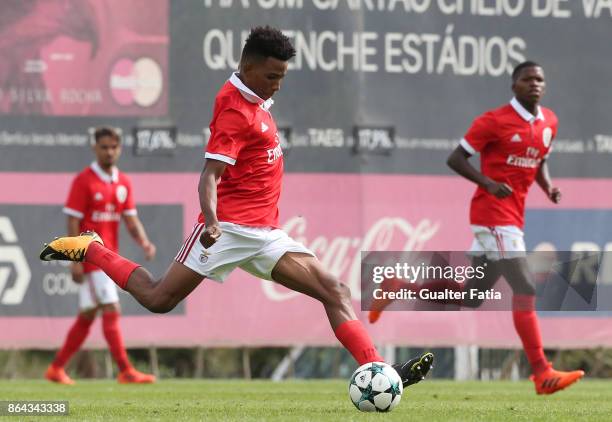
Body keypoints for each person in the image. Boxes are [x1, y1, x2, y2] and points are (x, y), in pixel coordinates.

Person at [40, 26, 433, 387]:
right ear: (247, 67)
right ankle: (91, 248)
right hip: (227, 229)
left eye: (282, 77)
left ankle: (379, 372)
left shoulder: (255, 94)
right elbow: (208, 176)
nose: (277, 86)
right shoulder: (234, 111)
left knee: (335, 290)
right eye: (271, 76)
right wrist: (211, 222)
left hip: (266, 233)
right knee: (158, 298)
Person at [368, 61, 584, 395]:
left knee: (470, 296)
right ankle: (542, 372)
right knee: (525, 287)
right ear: (514, 86)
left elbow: (540, 159)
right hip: (493, 215)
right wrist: (487, 182)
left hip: (511, 218)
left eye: (540, 79)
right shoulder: (494, 121)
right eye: (527, 80)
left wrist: (548, 187)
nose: (535, 84)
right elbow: (455, 158)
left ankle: (399, 287)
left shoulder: (548, 122)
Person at [45, 126, 157, 385]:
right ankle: (126, 370)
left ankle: (56, 368)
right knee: (111, 307)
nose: (109, 152)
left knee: (87, 314)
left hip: (109, 258)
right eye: (104, 147)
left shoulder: (123, 182)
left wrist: (145, 242)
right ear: (95, 148)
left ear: (119, 148)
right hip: (89, 257)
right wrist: (75, 261)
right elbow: (72, 222)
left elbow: (130, 219)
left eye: (113, 147)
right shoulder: (84, 180)